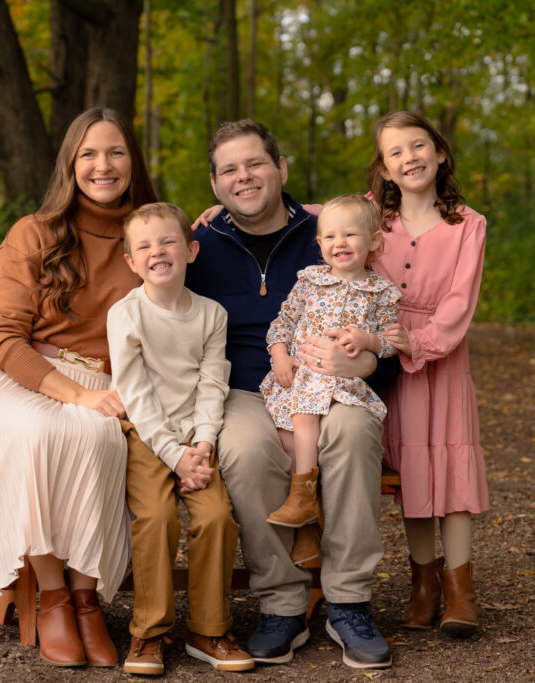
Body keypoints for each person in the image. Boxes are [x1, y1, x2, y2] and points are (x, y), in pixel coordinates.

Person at [0, 107, 157, 667]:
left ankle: (88, 600)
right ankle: (54, 596)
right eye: (88, 154)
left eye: (115, 152)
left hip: (111, 381)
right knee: (43, 435)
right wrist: (79, 394)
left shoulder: (152, 233)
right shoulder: (34, 232)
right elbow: (4, 337)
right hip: (29, 378)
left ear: (133, 161)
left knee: (99, 439)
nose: (102, 165)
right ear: (70, 163)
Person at [186, 119, 393, 670]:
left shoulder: (328, 232)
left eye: (255, 163)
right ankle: (281, 602)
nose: (244, 177)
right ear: (214, 185)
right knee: (243, 448)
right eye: (229, 170)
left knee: (353, 431)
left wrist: (367, 361)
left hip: (336, 386)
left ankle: (349, 601)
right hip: (244, 390)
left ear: (281, 168)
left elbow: (379, 320)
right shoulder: (200, 248)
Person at [106, 202, 254, 675]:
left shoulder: (212, 314)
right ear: (131, 261)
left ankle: (209, 629)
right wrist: (173, 455)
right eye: (145, 246)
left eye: (168, 241)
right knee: (156, 516)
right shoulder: (126, 315)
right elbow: (135, 393)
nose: (157, 251)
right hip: (148, 436)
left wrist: (204, 444)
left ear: (191, 251)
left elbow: (213, 384)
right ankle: (148, 631)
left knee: (217, 516)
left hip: (196, 439)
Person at [369, 111, 489, 637]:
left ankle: (460, 589)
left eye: (418, 146)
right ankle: (424, 584)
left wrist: (420, 342)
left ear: (440, 153)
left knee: (452, 465)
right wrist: (224, 208)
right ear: (384, 169)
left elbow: (460, 302)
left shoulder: (468, 223)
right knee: (412, 468)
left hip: (442, 356)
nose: (409, 158)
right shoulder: (374, 217)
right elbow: (313, 216)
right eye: (395, 152)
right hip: (390, 363)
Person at [260, 195, 400, 534]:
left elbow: (390, 343)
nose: (340, 243)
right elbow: (282, 322)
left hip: (343, 381)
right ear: (320, 243)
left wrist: (368, 342)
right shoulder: (309, 281)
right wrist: (279, 355)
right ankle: (308, 515)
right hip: (301, 376)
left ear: (373, 242)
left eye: (350, 234)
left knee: (307, 421)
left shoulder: (381, 292)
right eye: (331, 236)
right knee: (286, 436)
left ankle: (302, 498)